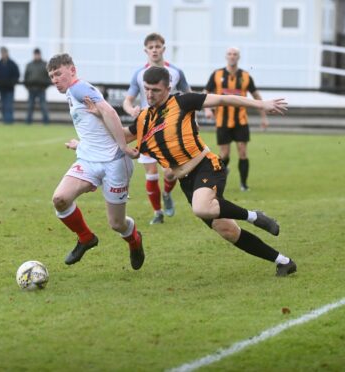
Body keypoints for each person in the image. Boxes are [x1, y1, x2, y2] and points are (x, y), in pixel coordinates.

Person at [125, 66, 296, 276]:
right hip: (186, 182)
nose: (150, 94)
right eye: (147, 89)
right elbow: (122, 136)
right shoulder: (144, 119)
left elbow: (224, 100)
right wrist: (88, 140)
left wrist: (261, 104)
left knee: (201, 207)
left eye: (156, 90)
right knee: (228, 231)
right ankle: (283, 262)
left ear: (168, 88)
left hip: (206, 166)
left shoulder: (182, 101)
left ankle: (254, 216)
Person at [46, 53, 144, 270]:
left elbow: (109, 112)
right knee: (60, 199)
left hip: (114, 162)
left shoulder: (78, 88)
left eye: (58, 73)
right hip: (89, 159)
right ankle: (86, 237)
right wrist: (80, 145)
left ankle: (134, 239)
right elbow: (95, 124)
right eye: (52, 76)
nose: (55, 79)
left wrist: (123, 146)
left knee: (117, 224)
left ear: (72, 70)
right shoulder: (73, 92)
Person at [123, 32, 191, 225]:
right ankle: (158, 212)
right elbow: (128, 100)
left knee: (171, 172)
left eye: (157, 46)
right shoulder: (139, 74)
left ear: (163, 49)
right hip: (146, 127)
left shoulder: (176, 72)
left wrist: (192, 117)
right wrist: (131, 110)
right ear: (146, 50)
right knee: (151, 173)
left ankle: (167, 193)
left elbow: (188, 94)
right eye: (151, 47)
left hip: (170, 127)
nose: (154, 50)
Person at [204, 47, 269, 191]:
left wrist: (264, 117)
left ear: (238, 57)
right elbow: (205, 93)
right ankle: (220, 178)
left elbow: (256, 96)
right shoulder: (217, 74)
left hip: (241, 121)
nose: (232, 56)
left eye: (235, 54)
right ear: (226, 56)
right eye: (229, 54)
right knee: (224, 154)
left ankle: (244, 185)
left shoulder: (245, 76)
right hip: (222, 120)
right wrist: (207, 109)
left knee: (243, 152)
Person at [24, 48, 51, 124]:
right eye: (35, 54)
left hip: (41, 89)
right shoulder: (29, 65)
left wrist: (45, 86)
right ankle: (28, 122)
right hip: (31, 89)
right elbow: (26, 77)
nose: (36, 56)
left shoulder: (45, 65)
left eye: (37, 54)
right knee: (30, 107)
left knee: (43, 106)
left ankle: (46, 122)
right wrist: (28, 87)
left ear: (40, 55)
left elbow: (49, 77)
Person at [0, 47, 20, 124]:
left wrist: (12, 83)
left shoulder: (12, 64)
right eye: (2, 53)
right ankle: (5, 121)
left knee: (9, 106)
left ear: (7, 53)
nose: (3, 54)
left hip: (10, 89)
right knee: (3, 106)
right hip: (1, 89)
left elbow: (16, 75)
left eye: (4, 53)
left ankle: (9, 122)